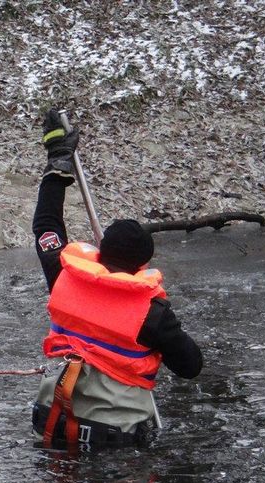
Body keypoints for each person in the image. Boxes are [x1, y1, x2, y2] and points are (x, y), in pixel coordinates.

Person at [31, 108, 203, 449]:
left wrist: (57, 164)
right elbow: (191, 366)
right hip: (114, 438)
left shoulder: (64, 277)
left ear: (100, 251)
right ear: (143, 264)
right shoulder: (152, 313)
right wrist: (166, 324)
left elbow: (46, 227)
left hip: (52, 420)